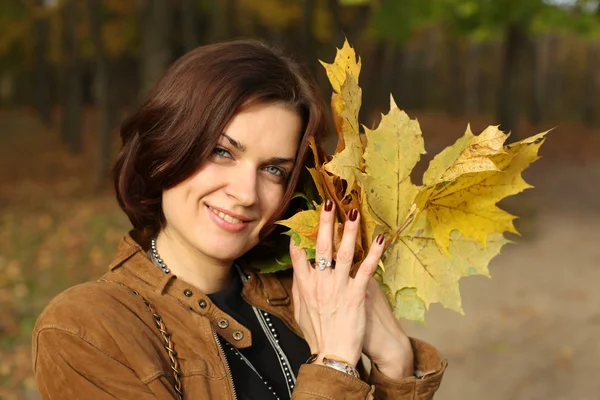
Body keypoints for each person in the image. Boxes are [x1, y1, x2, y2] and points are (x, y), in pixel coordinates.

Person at [32, 39, 447, 400]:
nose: (246, 193)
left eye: (274, 170)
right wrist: (335, 367)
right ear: (164, 152)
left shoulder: (305, 299)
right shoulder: (87, 328)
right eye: (222, 152)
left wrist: (395, 368)